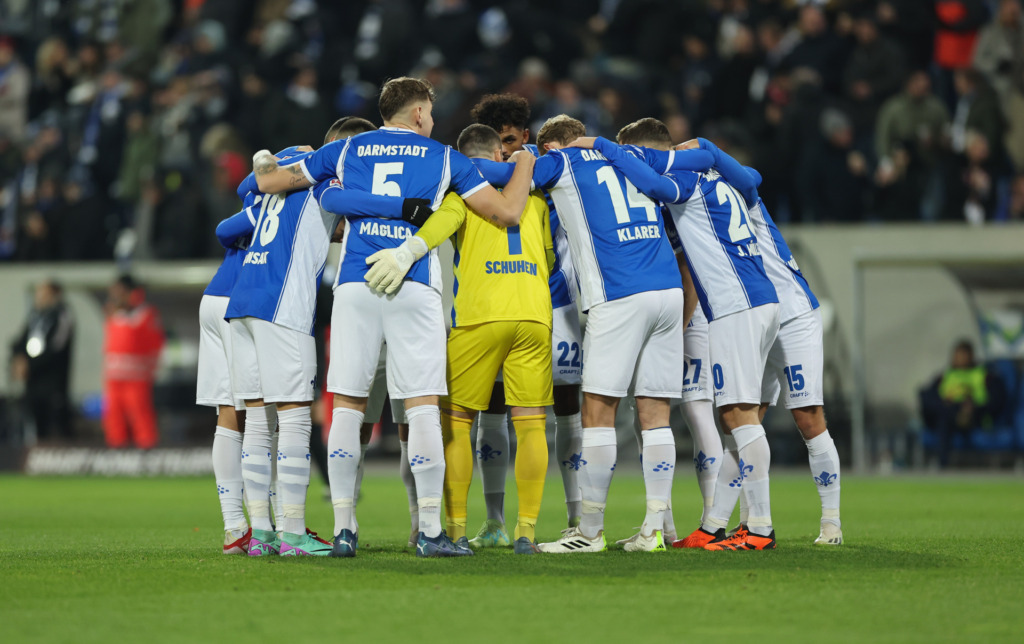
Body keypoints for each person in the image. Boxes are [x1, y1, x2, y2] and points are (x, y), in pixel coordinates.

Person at [252, 77, 535, 557]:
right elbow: (508, 212)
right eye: (430, 112)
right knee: (421, 405)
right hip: (412, 283)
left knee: (347, 405)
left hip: (356, 282)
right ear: (419, 113)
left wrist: (266, 161)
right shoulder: (444, 157)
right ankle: (429, 531)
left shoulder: (347, 149)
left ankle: (344, 529)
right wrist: (525, 161)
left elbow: (270, 181)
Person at [571, 128, 782, 551]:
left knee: (740, 417)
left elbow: (653, 183)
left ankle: (760, 528)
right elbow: (752, 176)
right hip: (758, 300)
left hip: (736, 304)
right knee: (734, 416)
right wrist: (708, 151)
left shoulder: (689, 181)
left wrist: (604, 147)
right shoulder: (728, 180)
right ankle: (720, 523)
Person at [220, 125, 417, 558]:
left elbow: (244, 186)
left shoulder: (280, 175)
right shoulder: (325, 180)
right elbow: (351, 204)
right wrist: (405, 207)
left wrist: (284, 154)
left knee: (258, 418)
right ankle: (293, 533)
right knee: (294, 419)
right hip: (283, 304)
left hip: (243, 300)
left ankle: (261, 533)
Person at [366, 123, 554, 554]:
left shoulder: (462, 195)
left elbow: (434, 230)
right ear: (499, 154)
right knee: (531, 425)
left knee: (456, 423)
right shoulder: (535, 199)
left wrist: (404, 254)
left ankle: (454, 529)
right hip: (533, 315)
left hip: (478, 317)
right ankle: (526, 532)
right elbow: (548, 258)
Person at [467, 93, 584, 544]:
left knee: (566, 404)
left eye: (512, 141)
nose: (504, 151)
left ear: (527, 137)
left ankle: (576, 520)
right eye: (497, 143)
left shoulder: (546, 170)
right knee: (492, 408)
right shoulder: (477, 173)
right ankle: (495, 521)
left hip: (555, 303)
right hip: (497, 302)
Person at [920, 340, 1007, 468]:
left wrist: (974, 408)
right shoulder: (944, 377)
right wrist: (946, 405)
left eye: (963, 355)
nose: (959, 359)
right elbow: (928, 398)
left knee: (953, 415)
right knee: (943, 415)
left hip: (975, 417)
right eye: (957, 355)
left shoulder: (984, 376)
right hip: (949, 415)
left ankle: (944, 464)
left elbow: (997, 400)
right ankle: (943, 466)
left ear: (971, 356)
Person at [102, 275, 164, 450]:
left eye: (119, 292)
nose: (115, 296)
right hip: (114, 377)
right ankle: (116, 451)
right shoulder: (113, 314)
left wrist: (152, 369)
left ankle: (147, 451)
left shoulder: (145, 314)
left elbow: (155, 344)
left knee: (140, 416)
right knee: (114, 417)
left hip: (137, 377)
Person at [9, 280, 74, 443]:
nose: (39, 297)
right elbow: (20, 341)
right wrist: (18, 359)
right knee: (35, 425)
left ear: (54, 295)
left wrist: (30, 365)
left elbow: (56, 349)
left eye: (43, 293)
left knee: (56, 427)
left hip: (53, 383)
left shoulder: (63, 316)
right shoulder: (35, 316)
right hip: (33, 382)